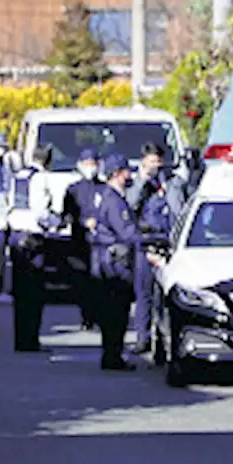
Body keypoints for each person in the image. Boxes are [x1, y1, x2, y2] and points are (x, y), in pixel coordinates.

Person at [126, 143, 186, 354]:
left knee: (164, 296)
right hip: (145, 242)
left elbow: (179, 211)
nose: (156, 166)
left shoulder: (173, 182)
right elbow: (131, 204)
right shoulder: (135, 181)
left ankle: (162, 340)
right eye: (151, 161)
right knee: (144, 294)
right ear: (143, 161)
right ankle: (143, 337)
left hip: (167, 244)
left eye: (158, 161)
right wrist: (143, 181)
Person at [87, 153, 144, 371]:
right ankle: (113, 357)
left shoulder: (110, 197)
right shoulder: (114, 201)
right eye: (127, 171)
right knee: (115, 313)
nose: (130, 176)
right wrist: (146, 240)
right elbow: (126, 232)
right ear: (117, 174)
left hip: (108, 262)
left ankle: (112, 355)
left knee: (114, 312)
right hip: (113, 264)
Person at [7, 145, 61, 352]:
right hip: (32, 238)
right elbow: (40, 211)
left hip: (16, 234)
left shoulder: (19, 175)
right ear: (47, 160)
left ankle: (20, 340)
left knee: (20, 293)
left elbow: (9, 203)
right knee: (35, 293)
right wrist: (55, 221)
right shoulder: (42, 178)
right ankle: (31, 340)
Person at [63, 148, 102, 330]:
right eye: (86, 164)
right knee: (82, 282)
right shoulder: (73, 190)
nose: (90, 168)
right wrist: (83, 222)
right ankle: (86, 316)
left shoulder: (104, 189)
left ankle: (97, 315)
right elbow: (67, 215)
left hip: (100, 242)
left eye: (93, 164)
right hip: (80, 242)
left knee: (99, 281)